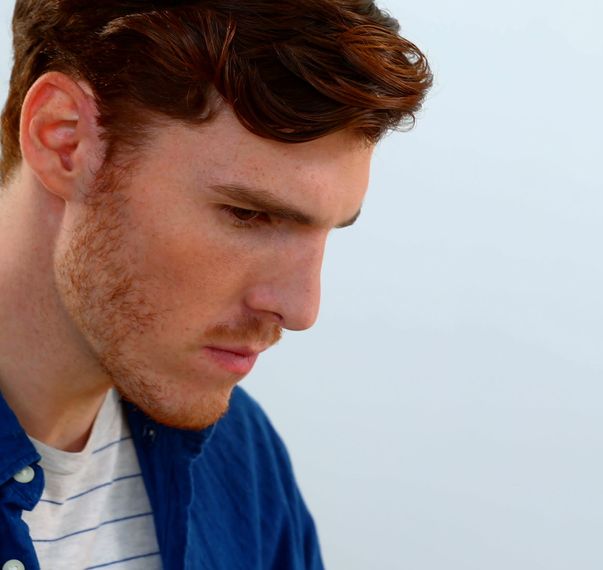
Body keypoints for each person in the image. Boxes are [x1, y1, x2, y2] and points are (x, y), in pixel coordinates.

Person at [0, 1, 432, 568]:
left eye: (328, 231)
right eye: (248, 215)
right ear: (65, 139)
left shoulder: (241, 458)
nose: (302, 309)